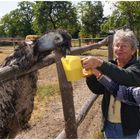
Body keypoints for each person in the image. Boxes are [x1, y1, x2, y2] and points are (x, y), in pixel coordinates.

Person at [82, 29, 140, 138]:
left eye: (124, 46)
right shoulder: (110, 66)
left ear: (133, 50)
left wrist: (100, 63)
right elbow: (98, 89)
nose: (119, 49)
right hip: (109, 125)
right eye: (117, 45)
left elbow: (125, 77)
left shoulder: (136, 67)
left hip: (130, 128)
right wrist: (90, 75)